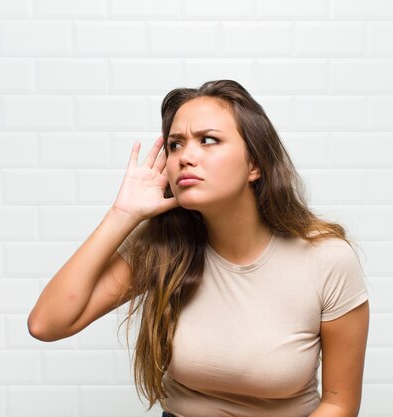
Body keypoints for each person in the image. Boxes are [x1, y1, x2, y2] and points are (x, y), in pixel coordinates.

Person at [27, 79, 370, 417]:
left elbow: (340, 403)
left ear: (255, 165)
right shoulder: (162, 246)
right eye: (175, 145)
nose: (185, 157)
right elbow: (47, 324)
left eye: (208, 140)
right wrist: (122, 215)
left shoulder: (326, 259)